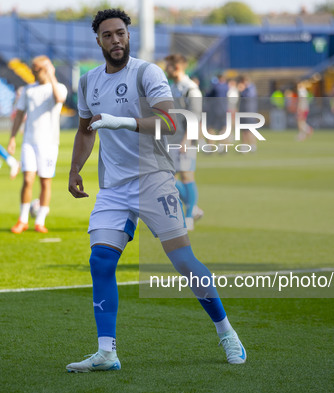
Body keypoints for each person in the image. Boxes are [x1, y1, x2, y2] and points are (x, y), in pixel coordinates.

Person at [66, 9, 246, 373]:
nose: (116, 40)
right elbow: (86, 130)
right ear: (98, 41)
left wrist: (124, 122)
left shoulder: (147, 73)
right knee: (100, 261)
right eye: (108, 35)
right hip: (114, 187)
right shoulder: (88, 82)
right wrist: (74, 169)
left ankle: (226, 331)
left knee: (183, 262)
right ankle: (106, 352)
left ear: (128, 36)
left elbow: (169, 120)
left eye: (120, 33)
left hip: (153, 178)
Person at [7, 56, 67, 234]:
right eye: (33, 68)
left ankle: (40, 220)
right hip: (29, 142)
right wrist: (12, 138)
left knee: (45, 181)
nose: (34, 71)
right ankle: (22, 219)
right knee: (27, 180)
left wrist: (52, 76)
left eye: (38, 68)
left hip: (48, 144)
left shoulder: (57, 88)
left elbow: (59, 99)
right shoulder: (28, 90)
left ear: (47, 69)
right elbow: (19, 114)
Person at [163, 53, 204, 230]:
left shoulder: (191, 89)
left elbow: (195, 118)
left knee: (187, 176)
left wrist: (186, 141)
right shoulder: (173, 87)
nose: (165, 69)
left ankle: (188, 218)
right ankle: (193, 208)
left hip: (185, 140)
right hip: (170, 139)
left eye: (168, 66)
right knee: (167, 179)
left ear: (177, 67)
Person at [238, 75, 259, 152]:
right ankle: (244, 145)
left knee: (250, 129)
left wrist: (243, 90)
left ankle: (252, 145)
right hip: (243, 111)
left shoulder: (251, 88)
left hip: (250, 112)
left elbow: (249, 96)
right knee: (243, 129)